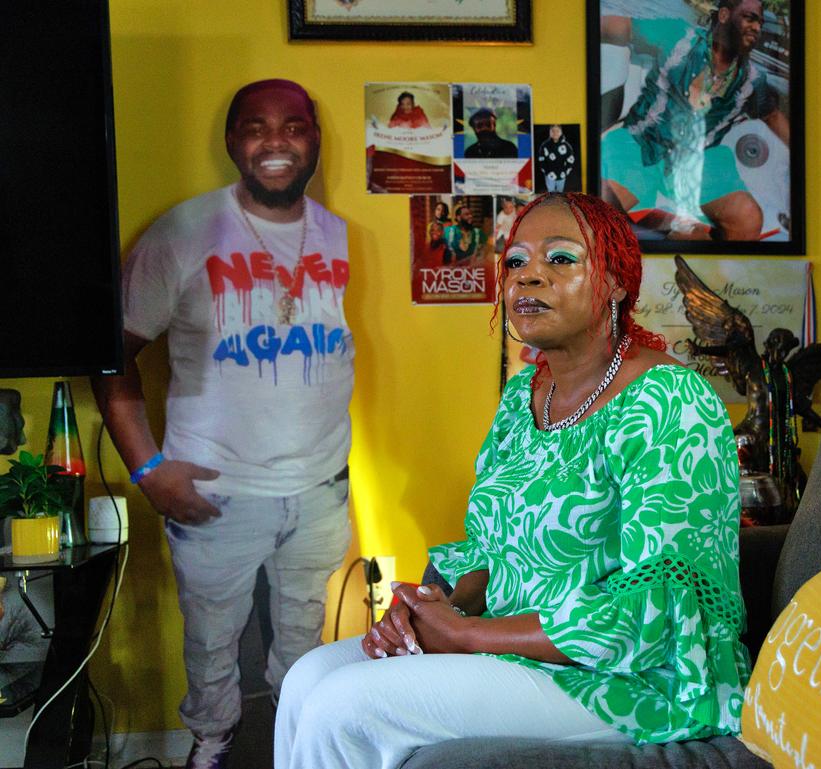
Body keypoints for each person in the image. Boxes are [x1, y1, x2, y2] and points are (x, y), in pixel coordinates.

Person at [274, 193, 750, 769]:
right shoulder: (522, 399)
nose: (530, 278)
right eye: (517, 263)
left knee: (346, 707)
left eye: (561, 260)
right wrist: (432, 607)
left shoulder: (670, 401)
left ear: (618, 283)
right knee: (308, 677)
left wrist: (470, 636)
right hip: (516, 648)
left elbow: (654, 614)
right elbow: (489, 554)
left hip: (640, 677)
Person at [91, 79, 353, 769]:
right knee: (212, 640)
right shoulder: (184, 230)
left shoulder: (336, 233)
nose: (274, 142)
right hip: (217, 487)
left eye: (292, 126)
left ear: (315, 136)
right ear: (232, 140)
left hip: (321, 485)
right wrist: (148, 469)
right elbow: (110, 355)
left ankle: (298, 745)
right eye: (255, 127)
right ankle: (210, 744)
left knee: (304, 635)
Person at [599, 0, 790, 240]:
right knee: (601, 213)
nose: (756, 27)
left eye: (760, 22)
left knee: (748, 219)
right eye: (749, 18)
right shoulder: (677, 36)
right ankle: (671, 230)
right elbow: (620, 28)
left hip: (702, 160)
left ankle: (685, 241)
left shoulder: (753, 80)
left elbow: (772, 115)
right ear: (723, 15)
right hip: (642, 145)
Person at [537, 124, 576, 192]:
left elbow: (571, 160)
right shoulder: (545, 145)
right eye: (553, 131)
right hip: (549, 175)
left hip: (561, 175)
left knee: (559, 194)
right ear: (550, 132)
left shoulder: (566, 146)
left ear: (561, 132)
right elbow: (541, 159)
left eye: (557, 131)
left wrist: (566, 171)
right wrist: (546, 171)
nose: (555, 133)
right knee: (550, 194)